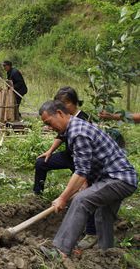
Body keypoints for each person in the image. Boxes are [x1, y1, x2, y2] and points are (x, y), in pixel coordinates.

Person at [38, 100, 137, 259]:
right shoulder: (73, 128)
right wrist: (84, 185)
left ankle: (60, 250)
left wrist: (63, 198)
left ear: (60, 113)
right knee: (103, 214)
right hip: (118, 178)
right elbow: (86, 164)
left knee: (81, 200)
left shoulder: (78, 132)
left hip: (118, 179)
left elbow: (81, 171)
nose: (50, 127)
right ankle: (107, 254)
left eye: (49, 122)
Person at [34, 87, 97, 249]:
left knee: (86, 193)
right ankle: (37, 195)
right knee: (41, 162)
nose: (58, 107)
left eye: (61, 104)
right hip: (69, 156)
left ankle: (91, 232)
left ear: (71, 103)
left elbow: (85, 164)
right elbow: (60, 136)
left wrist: (83, 179)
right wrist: (49, 151)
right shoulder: (63, 120)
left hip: (84, 160)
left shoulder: (83, 119)